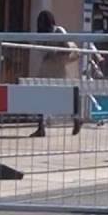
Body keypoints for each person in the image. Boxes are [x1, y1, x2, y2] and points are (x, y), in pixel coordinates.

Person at [31, 10, 81, 138]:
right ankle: (41, 126)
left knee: (64, 96)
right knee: (39, 96)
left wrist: (55, 52)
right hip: (47, 67)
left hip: (57, 67)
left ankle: (76, 119)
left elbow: (68, 47)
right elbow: (40, 50)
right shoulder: (41, 34)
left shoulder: (58, 31)